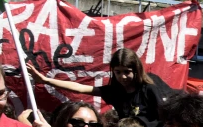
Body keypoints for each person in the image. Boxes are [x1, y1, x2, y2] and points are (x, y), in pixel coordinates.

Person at [28, 48, 165, 121]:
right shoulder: (115, 91)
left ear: (136, 70)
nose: (122, 77)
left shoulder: (149, 87)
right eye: (118, 72)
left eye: (127, 72)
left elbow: (164, 114)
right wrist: (45, 80)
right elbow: (81, 88)